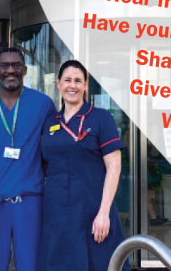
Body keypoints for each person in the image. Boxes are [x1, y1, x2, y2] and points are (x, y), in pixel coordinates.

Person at [38, 60, 129, 271]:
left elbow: (114, 166)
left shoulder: (101, 118)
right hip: (57, 213)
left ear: (86, 85)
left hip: (92, 210)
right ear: (58, 83)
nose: (73, 85)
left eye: (78, 81)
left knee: (98, 264)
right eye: (67, 80)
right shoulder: (50, 122)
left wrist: (104, 213)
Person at [0, 47, 57, 271]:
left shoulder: (43, 104)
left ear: (25, 70)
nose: (11, 70)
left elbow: (53, 152)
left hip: (30, 201)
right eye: (5, 65)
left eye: (16, 65)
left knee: (31, 264)